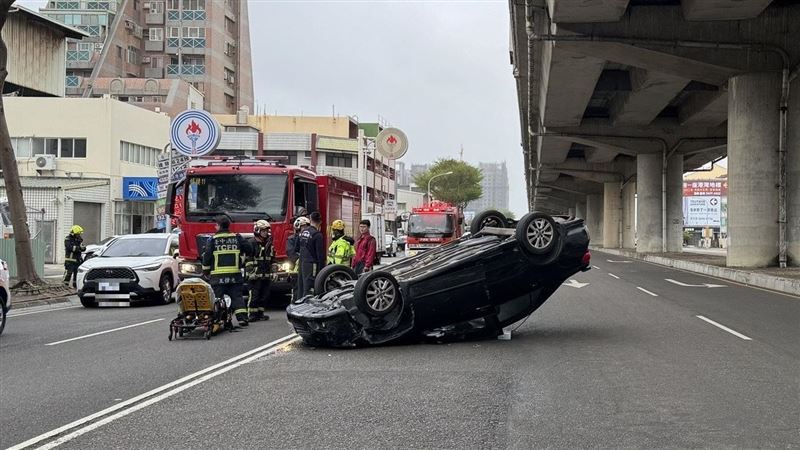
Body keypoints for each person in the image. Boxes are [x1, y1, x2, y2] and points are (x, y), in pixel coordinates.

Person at [202, 215, 252, 327]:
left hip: (217, 277)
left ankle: (217, 320)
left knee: (218, 299)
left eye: (216, 225)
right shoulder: (237, 237)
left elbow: (207, 257)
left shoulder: (212, 240)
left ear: (219, 226)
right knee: (237, 297)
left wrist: (206, 271)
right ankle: (242, 319)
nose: (215, 227)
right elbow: (249, 249)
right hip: (235, 275)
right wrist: (242, 257)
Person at [245, 220, 274, 322]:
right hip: (255, 276)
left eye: (266, 230)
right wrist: (251, 272)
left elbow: (272, 259)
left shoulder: (268, 243)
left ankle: (260, 313)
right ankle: (252, 314)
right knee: (254, 296)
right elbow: (248, 259)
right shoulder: (251, 243)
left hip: (266, 275)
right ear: (257, 230)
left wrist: (273, 272)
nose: (266, 233)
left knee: (264, 295)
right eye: (263, 231)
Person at [297, 211, 325, 297]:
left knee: (301, 285)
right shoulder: (317, 235)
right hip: (312, 264)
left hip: (302, 262)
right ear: (320, 222)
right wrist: (321, 270)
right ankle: (307, 306)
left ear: (310, 219)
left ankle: (299, 304)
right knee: (310, 287)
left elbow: (296, 248)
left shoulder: (302, 233)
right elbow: (320, 255)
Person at [287, 216, 309, 301]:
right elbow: (291, 253)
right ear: (297, 226)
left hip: (305, 269)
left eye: (307, 226)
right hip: (295, 270)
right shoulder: (291, 239)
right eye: (304, 226)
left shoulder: (308, 238)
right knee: (297, 291)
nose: (306, 228)